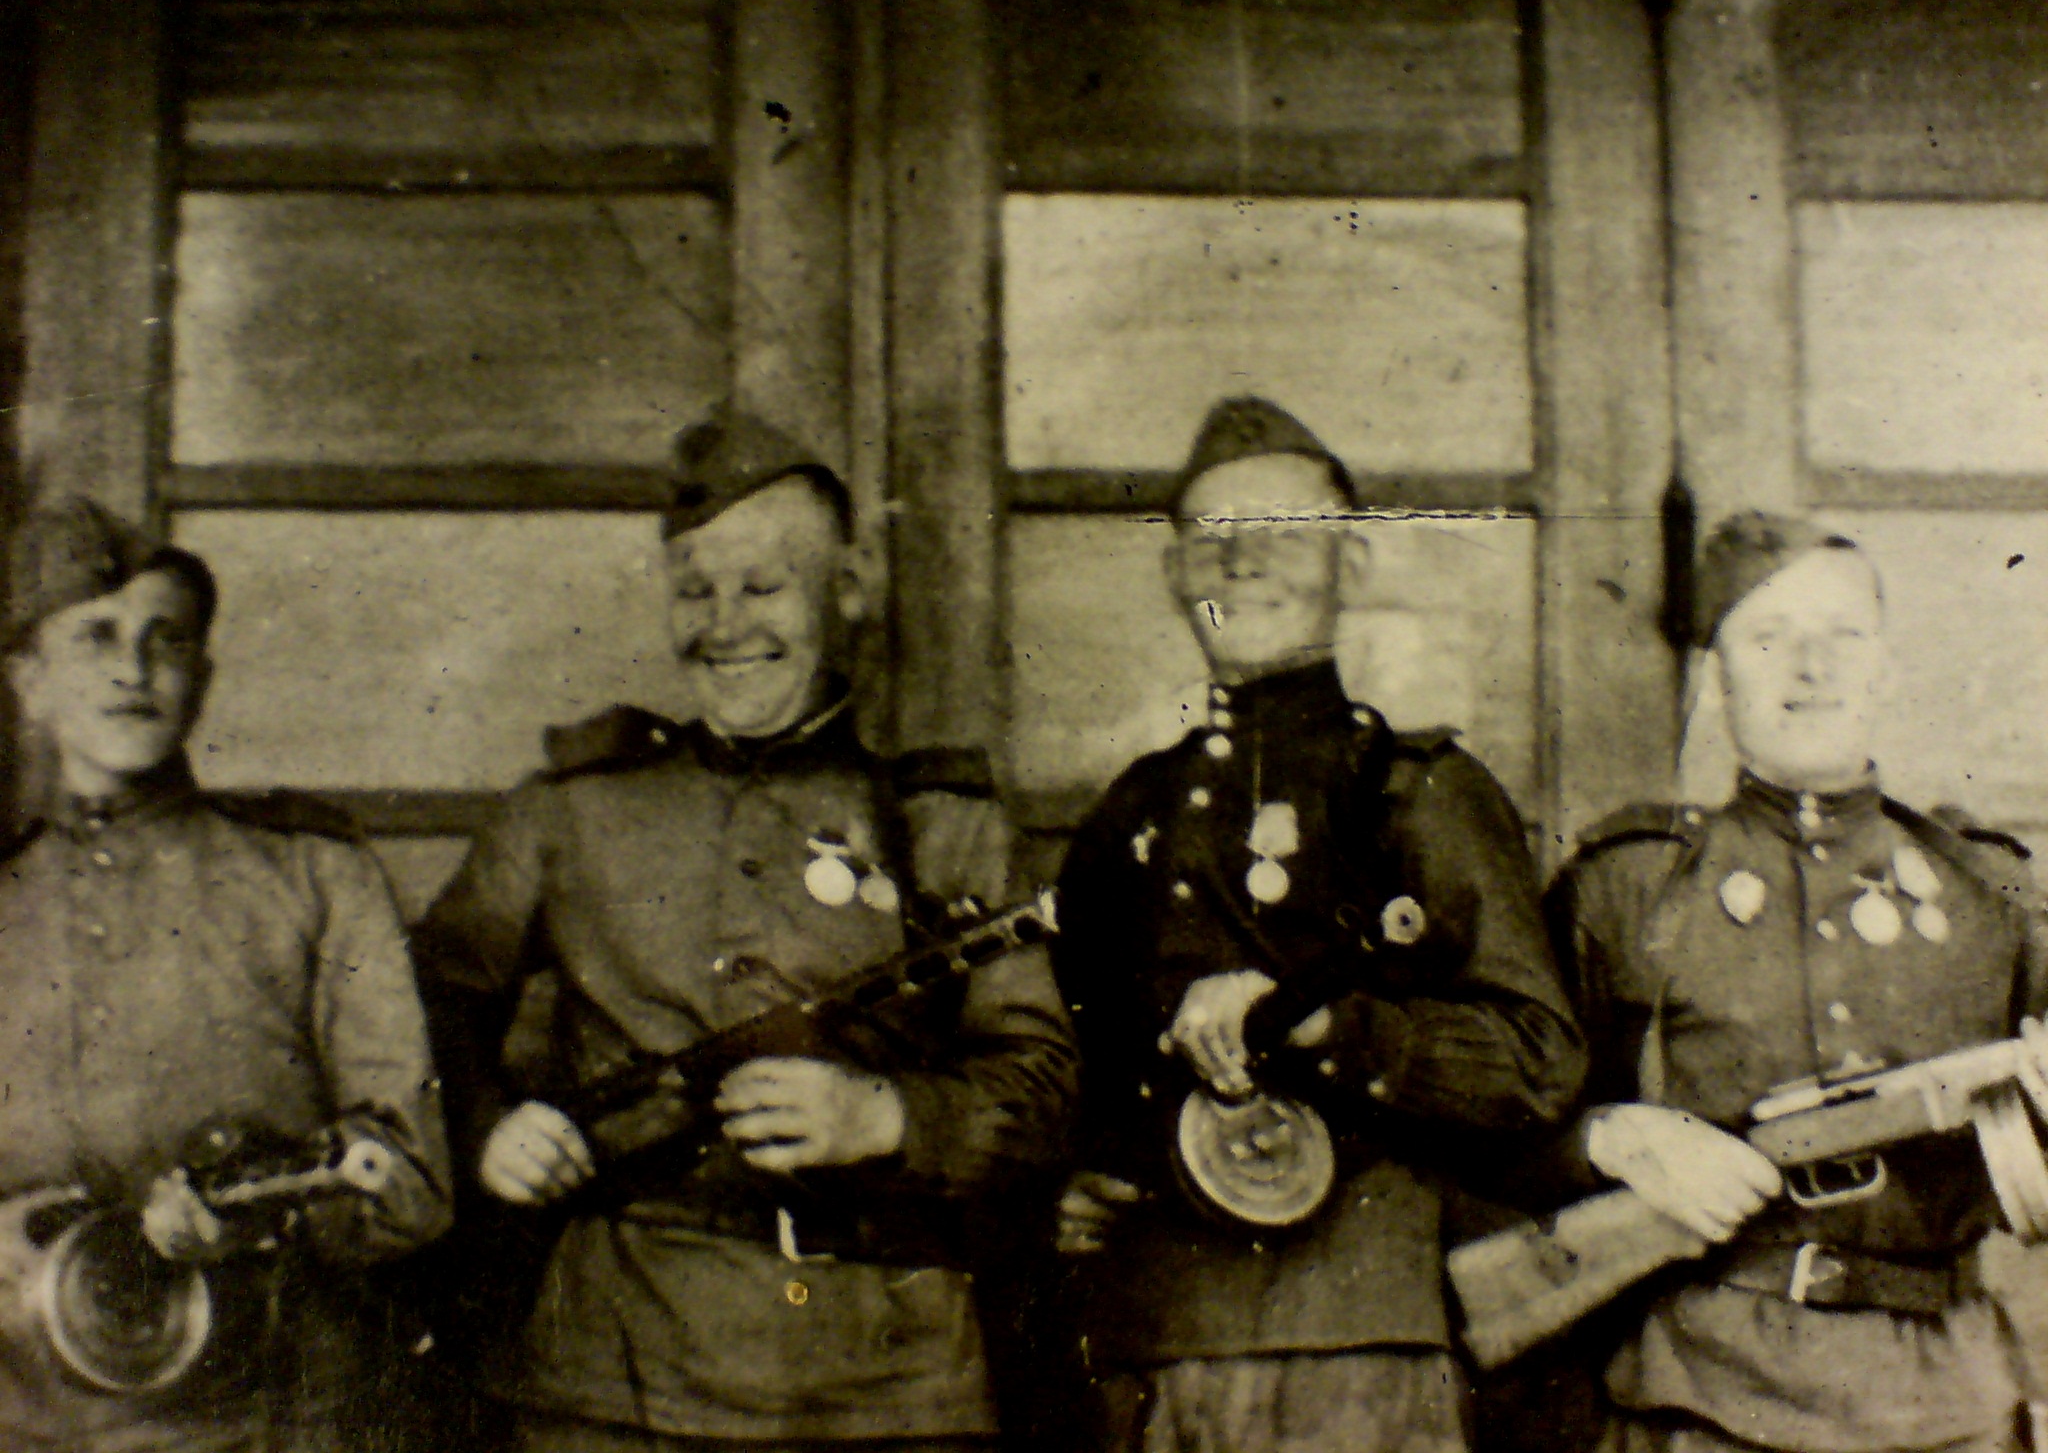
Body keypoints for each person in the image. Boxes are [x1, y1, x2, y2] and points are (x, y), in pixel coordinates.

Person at [411, 410, 1079, 1453]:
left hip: (889, 1386)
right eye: (695, 592)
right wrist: (486, 1126)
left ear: (847, 589)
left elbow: (1042, 1084)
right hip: (614, 1375)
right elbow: (417, 1007)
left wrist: (886, 1116)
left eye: (764, 587)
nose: (725, 626)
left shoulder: (946, 827)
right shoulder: (570, 812)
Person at [1050, 396, 1585, 1453]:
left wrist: (1328, 1025)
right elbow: (1065, 1058)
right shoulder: (1128, 813)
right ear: (1175, 576)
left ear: (1355, 563)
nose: (1242, 561)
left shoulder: (1414, 791)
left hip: (1357, 1344)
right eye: (1211, 538)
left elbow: (1538, 1060)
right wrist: (1070, 1175)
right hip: (1148, 1341)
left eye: (1281, 532)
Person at [1543, 510, 2048, 1453]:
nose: (1811, 669)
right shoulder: (1634, 885)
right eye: (1769, 637)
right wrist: (1611, 1137)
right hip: (1705, 1391)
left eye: (1842, 636)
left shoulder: (1992, 889)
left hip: (1947, 1398)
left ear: (1886, 667)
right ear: (1714, 676)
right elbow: (1506, 1118)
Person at [0, 498, 452, 1452]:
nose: (133, 669)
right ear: (28, 681)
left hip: (262, 1415)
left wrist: (256, 1214)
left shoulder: (314, 874)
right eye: (95, 637)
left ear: (202, 678)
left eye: (165, 640)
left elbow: (411, 1177)